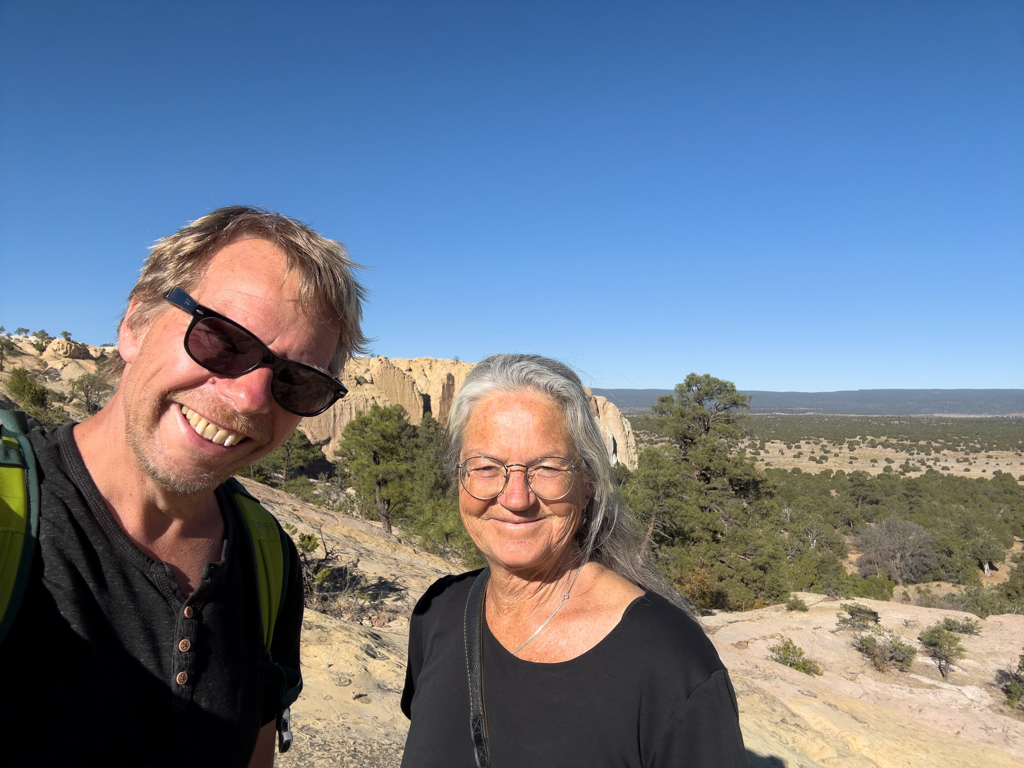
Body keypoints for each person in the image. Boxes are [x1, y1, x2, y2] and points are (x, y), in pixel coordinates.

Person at [1, 206, 366, 767]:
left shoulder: (268, 559)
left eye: (297, 381)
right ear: (136, 324)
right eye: (223, 340)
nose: (250, 398)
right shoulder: (11, 521)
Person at [400, 354, 747, 768]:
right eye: (486, 467)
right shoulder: (438, 613)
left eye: (546, 467)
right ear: (460, 478)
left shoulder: (670, 663)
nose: (516, 498)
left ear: (587, 485)